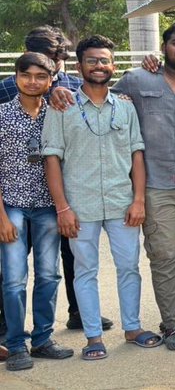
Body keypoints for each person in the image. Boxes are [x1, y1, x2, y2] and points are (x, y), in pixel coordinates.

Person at [43, 36, 159, 360]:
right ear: (79, 66)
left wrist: (139, 200)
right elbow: (51, 157)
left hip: (123, 202)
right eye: (92, 61)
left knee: (129, 267)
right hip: (80, 205)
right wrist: (62, 208)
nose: (99, 66)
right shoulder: (61, 106)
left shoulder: (125, 107)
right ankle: (93, 336)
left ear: (113, 66)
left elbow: (137, 154)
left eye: (104, 61)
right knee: (85, 270)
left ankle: (133, 328)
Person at [107, 22, 175, 348]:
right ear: (164, 47)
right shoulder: (138, 81)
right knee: (164, 253)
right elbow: (101, 101)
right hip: (155, 185)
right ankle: (172, 326)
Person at [0, 27, 110, 336]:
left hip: (57, 196)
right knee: (11, 270)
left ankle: (76, 313)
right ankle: (9, 329)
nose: (52, 66)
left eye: (56, 60)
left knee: (63, 263)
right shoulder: (6, 92)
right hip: (14, 199)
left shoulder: (73, 88)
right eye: (48, 58)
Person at [1, 53, 74, 370]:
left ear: (51, 78)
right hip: (12, 206)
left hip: (48, 206)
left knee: (49, 275)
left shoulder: (58, 114)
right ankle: (16, 344)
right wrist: (1, 217)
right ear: (16, 77)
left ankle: (42, 340)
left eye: (40, 76)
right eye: (26, 75)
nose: (33, 81)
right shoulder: (2, 115)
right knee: (14, 280)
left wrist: (63, 208)